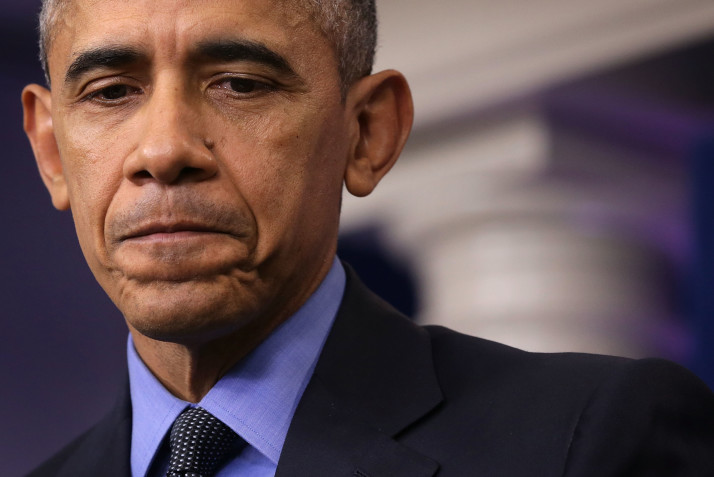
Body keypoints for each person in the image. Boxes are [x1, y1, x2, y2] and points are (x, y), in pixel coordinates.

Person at [21, 0, 714, 476]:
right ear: (52, 153)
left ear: (367, 134)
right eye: (111, 92)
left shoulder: (588, 441)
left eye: (239, 83)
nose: (165, 149)